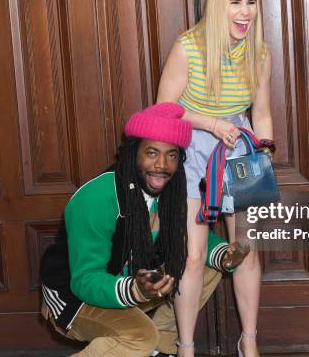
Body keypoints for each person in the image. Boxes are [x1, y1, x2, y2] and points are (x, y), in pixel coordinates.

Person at [40, 102, 247, 357]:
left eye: (172, 155)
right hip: (76, 295)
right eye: (151, 153)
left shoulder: (173, 189)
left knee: (202, 260)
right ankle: (146, 344)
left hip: (134, 282)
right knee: (139, 338)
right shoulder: (97, 198)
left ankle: (160, 349)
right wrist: (134, 290)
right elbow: (85, 280)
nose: (162, 165)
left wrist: (224, 255)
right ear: (132, 153)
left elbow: (189, 237)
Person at [157, 0, 273, 357]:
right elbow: (165, 110)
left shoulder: (259, 53)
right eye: (235, 3)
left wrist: (264, 152)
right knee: (192, 256)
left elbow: (262, 113)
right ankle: (186, 347)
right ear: (218, 6)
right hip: (191, 147)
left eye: (251, 2)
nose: (245, 13)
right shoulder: (188, 47)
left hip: (238, 147)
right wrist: (211, 123)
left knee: (246, 249)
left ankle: (249, 342)